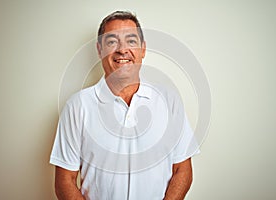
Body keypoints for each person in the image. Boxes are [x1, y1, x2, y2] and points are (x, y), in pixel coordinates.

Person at [50, 11, 199, 200]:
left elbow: (182, 170)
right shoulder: (77, 107)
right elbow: (65, 181)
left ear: (143, 49)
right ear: (99, 49)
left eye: (131, 41)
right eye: (112, 42)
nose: (122, 50)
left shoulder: (169, 101)